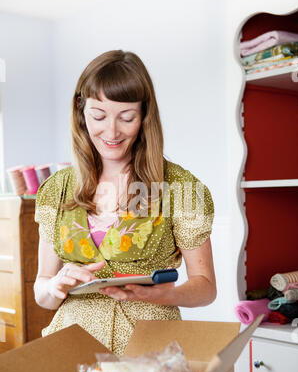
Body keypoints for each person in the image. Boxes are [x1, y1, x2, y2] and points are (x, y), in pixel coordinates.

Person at [34, 49, 217, 355]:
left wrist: (162, 295)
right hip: (71, 349)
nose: (112, 131)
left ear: (145, 115)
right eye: (99, 116)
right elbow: (43, 289)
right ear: (81, 111)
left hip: (152, 352)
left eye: (127, 117)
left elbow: (205, 286)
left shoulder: (180, 187)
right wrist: (54, 287)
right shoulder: (56, 189)